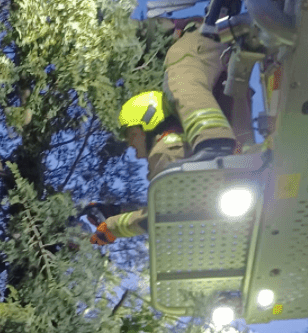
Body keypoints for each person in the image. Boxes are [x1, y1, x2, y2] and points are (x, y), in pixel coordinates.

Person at [90, 24, 237, 244]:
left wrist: (111, 228)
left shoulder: (167, 147)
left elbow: (169, 214)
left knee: (179, 72)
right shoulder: (186, 143)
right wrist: (118, 210)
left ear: (145, 124)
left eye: (132, 139)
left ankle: (214, 141)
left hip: (219, 228)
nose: (136, 153)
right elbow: (176, 201)